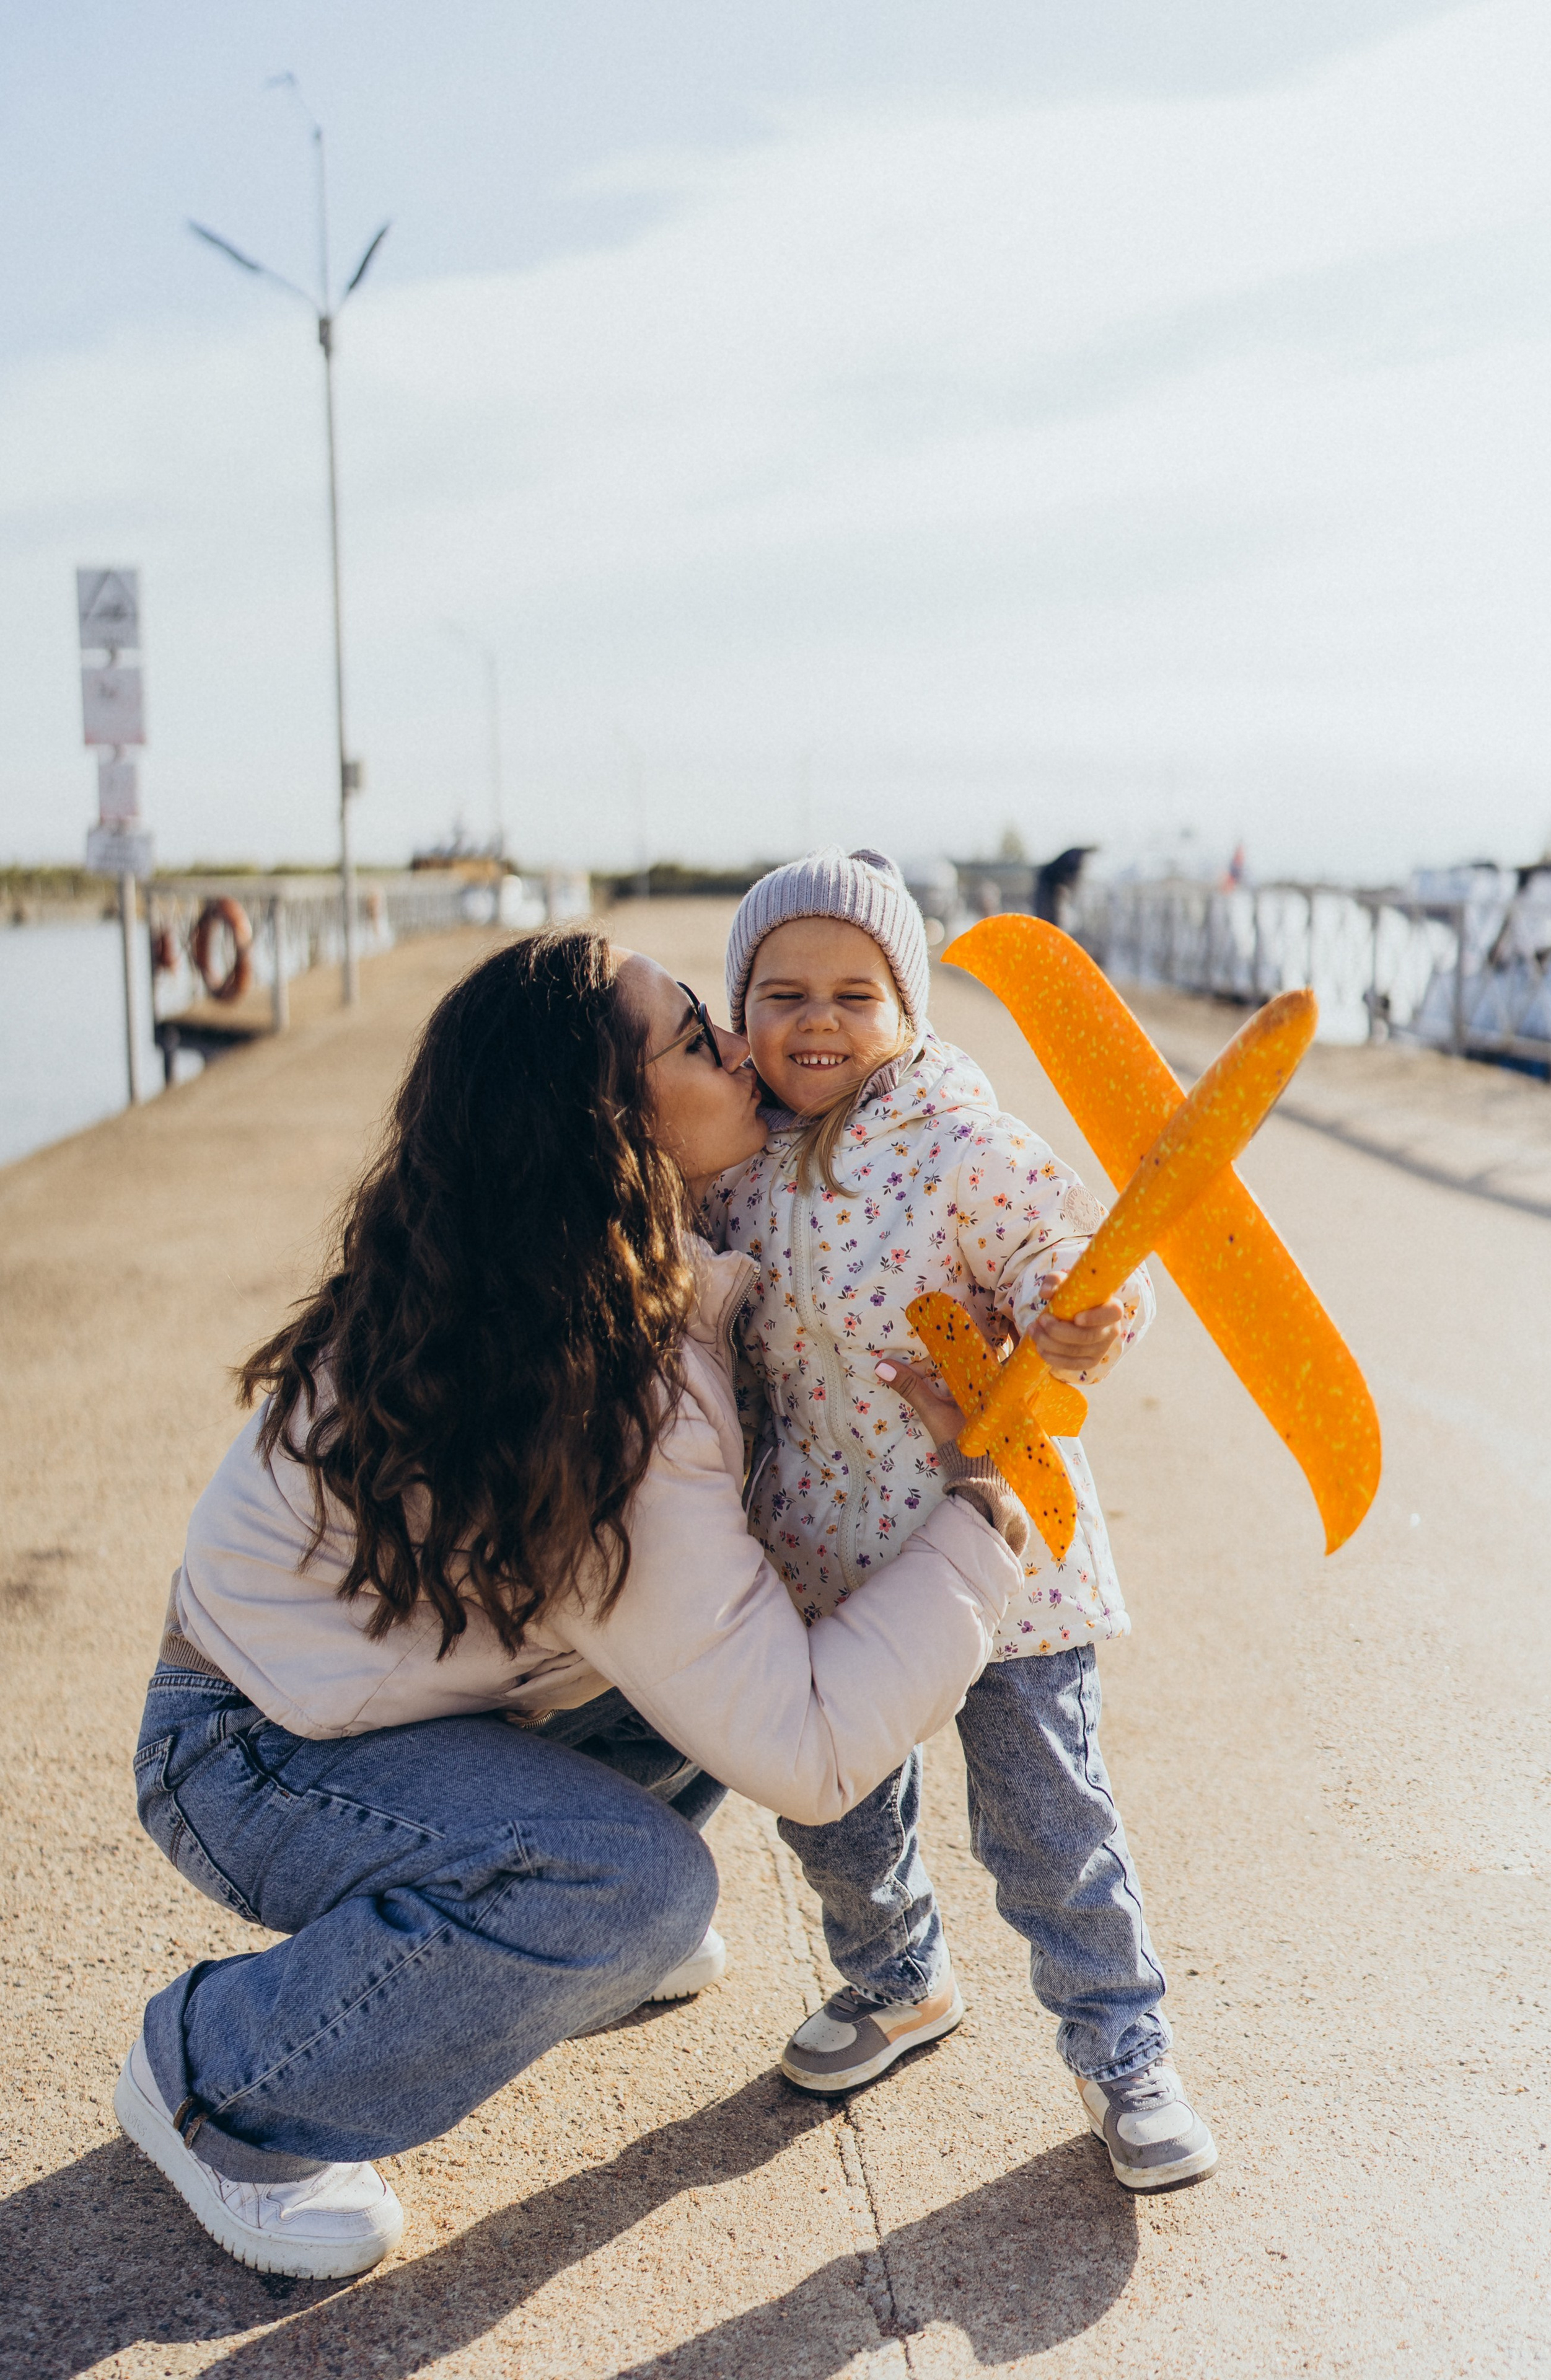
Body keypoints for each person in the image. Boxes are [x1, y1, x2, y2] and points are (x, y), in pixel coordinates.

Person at [115, 927, 1035, 2281]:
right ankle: (222, 2077)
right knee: (631, 1890)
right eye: (691, 1038)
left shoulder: (552, 1267)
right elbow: (809, 1754)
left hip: (378, 1701)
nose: (737, 1041)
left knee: (705, 1660)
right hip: (246, 1751)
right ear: (611, 1130)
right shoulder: (595, 1378)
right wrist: (982, 1517)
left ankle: (535, 1940)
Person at [707, 848, 1216, 2191]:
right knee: (833, 1807)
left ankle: (1123, 2050)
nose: (816, 1020)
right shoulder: (733, 1168)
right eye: (781, 992)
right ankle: (895, 1981)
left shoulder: (959, 1146)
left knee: (1044, 1814)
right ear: (738, 1009)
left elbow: (1070, 1260)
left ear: (907, 1013)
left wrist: (1081, 1319)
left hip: (998, 1541)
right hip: (823, 1548)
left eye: (853, 994)